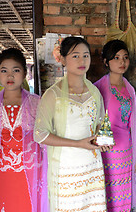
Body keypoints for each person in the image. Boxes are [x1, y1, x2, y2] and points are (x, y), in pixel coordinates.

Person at [34, 37, 108, 211]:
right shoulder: (53, 95)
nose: (82, 60)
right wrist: (78, 144)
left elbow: (100, 123)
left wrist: (102, 139)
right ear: (63, 60)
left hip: (92, 166)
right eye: (75, 56)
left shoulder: (95, 91)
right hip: (66, 169)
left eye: (86, 55)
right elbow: (39, 134)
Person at [0, 48, 47, 212]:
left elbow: (47, 146)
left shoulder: (38, 104)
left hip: (34, 178)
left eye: (16, 70)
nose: (10, 76)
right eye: (4, 70)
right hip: (1, 180)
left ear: (24, 73)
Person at [94, 40, 136, 211]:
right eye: (116, 58)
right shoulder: (98, 88)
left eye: (125, 57)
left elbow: (133, 126)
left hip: (126, 150)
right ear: (106, 62)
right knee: (107, 195)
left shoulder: (129, 89)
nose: (122, 62)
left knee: (123, 196)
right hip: (106, 151)